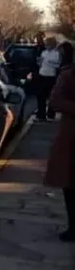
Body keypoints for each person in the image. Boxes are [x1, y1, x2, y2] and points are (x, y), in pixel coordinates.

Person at [45, 41, 75, 240]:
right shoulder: (68, 76)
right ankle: (73, 226)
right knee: (69, 183)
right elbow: (55, 101)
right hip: (70, 138)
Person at [36, 36, 62, 120]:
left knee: (51, 96)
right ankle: (41, 114)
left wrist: (49, 63)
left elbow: (58, 65)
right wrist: (39, 62)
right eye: (46, 44)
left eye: (48, 44)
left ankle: (51, 114)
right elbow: (41, 64)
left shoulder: (56, 54)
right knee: (41, 96)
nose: (47, 46)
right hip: (42, 75)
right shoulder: (44, 53)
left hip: (51, 76)